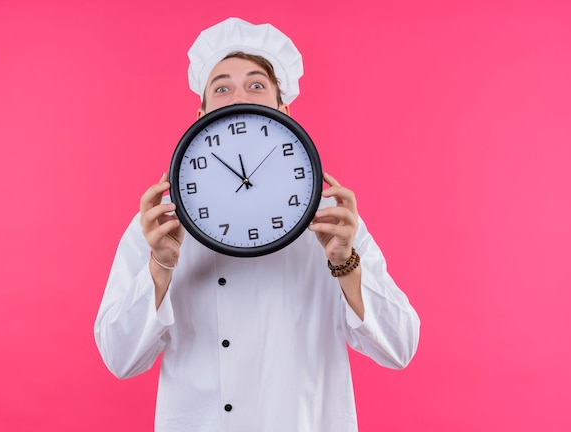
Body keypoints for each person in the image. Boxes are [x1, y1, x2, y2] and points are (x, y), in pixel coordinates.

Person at [94, 17, 420, 431]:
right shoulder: (162, 223)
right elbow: (119, 359)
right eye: (222, 87)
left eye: (256, 84)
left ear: (283, 112)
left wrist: (346, 265)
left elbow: (401, 348)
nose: (238, 96)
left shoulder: (329, 221)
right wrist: (160, 267)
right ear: (202, 115)